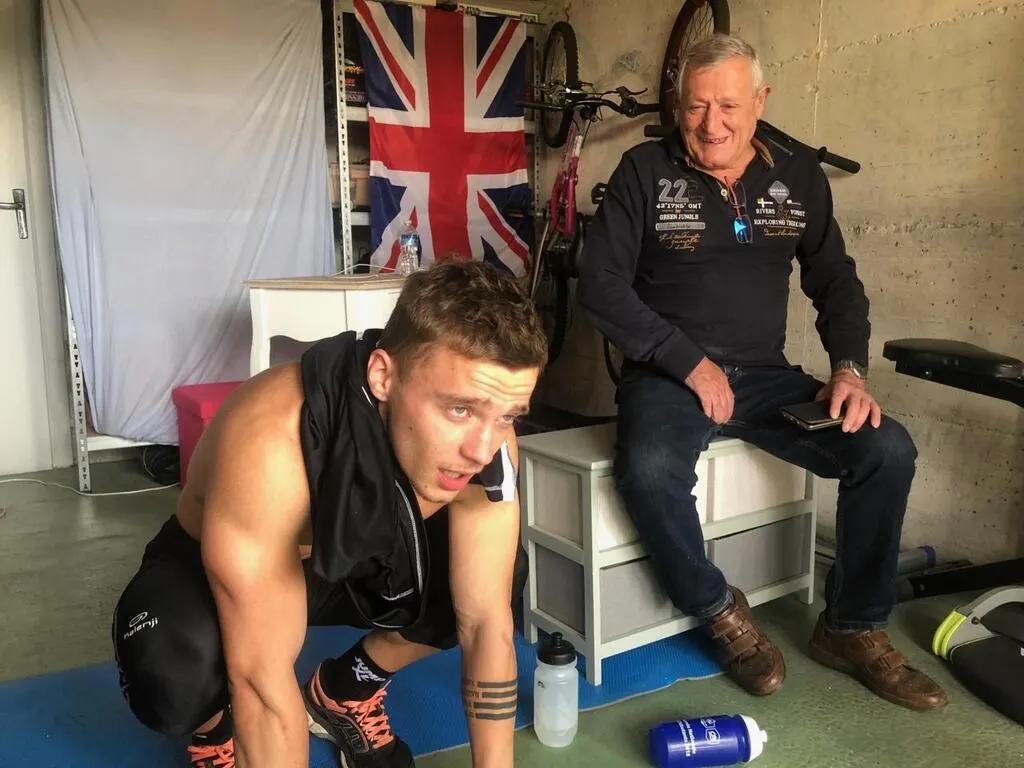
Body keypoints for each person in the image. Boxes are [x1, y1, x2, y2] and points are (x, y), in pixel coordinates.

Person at [575, 33, 948, 712]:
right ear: (677, 105)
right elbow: (599, 284)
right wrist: (687, 362)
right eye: (695, 106)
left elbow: (835, 282)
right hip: (668, 377)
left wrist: (849, 371)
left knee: (886, 450)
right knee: (648, 469)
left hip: (766, 376)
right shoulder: (643, 171)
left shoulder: (798, 175)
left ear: (760, 101)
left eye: (728, 106)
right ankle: (716, 608)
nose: (710, 124)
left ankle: (851, 628)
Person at [112, 259, 548, 768]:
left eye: (507, 416)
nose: (481, 449)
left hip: (354, 557)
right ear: (383, 375)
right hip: (234, 565)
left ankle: (348, 687)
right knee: (172, 671)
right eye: (459, 409)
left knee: (496, 577)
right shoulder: (270, 442)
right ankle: (218, 730)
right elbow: (263, 683)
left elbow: (486, 623)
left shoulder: (488, 444)